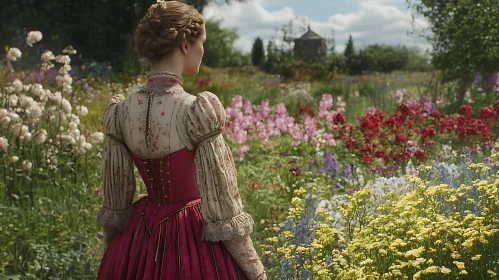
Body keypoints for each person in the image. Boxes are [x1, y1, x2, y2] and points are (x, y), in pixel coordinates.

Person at [95, 1, 267, 279]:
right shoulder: (195, 111)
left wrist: (115, 250)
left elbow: (116, 197)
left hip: (140, 237)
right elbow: (222, 206)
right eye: (202, 43)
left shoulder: (121, 111)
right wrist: (254, 268)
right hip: (191, 240)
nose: (203, 51)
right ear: (185, 45)